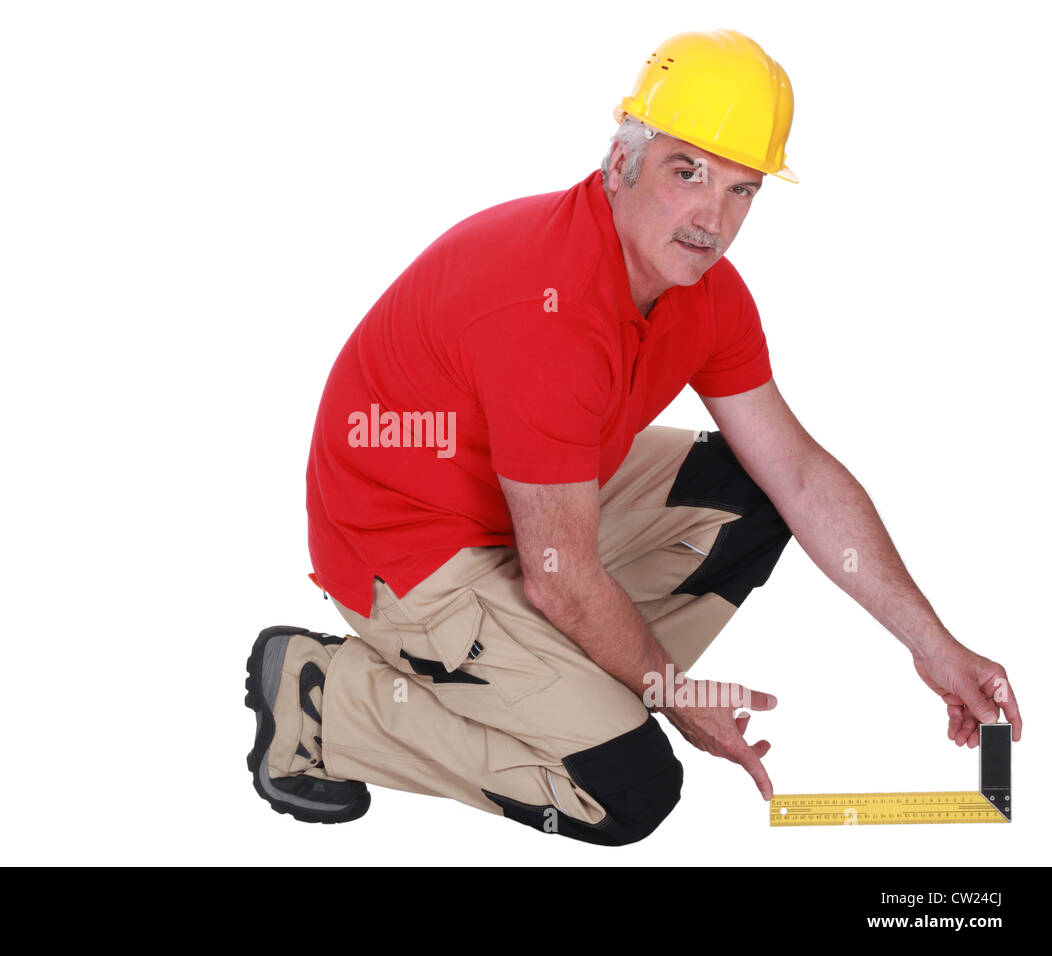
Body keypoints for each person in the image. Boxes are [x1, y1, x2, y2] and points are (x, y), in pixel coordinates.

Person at [244, 28, 1023, 844]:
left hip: (533, 509)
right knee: (628, 787)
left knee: (752, 493)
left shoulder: (707, 293)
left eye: (739, 191)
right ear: (621, 164)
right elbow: (561, 578)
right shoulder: (548, 309)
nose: (709, 218)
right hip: (404, 547)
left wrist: (934, 645)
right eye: (686, 172)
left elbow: (798, 472)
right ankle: (323, 702)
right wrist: (675, 696)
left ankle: (566, 685)